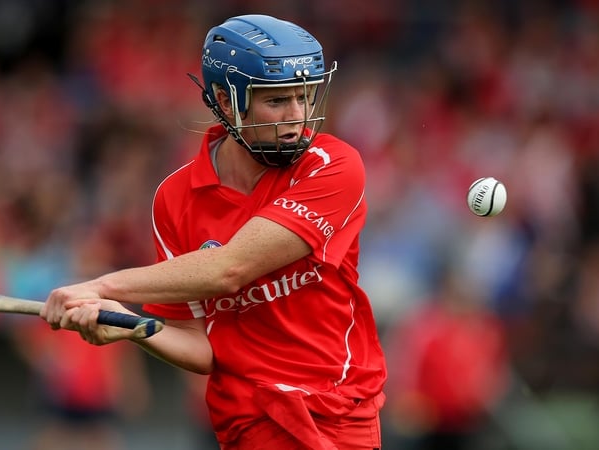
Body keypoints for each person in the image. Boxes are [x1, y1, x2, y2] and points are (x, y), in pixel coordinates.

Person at [41, 14, 387, 449]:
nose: (297, 119)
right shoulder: (174, 198)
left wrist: (104, 287)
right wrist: (129, 324)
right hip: (247, 424)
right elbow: (201, 346)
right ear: (226, 101)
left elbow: (230, 269)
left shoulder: (334, 165)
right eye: (277, 102)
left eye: (304, 98)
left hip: (338, 415)